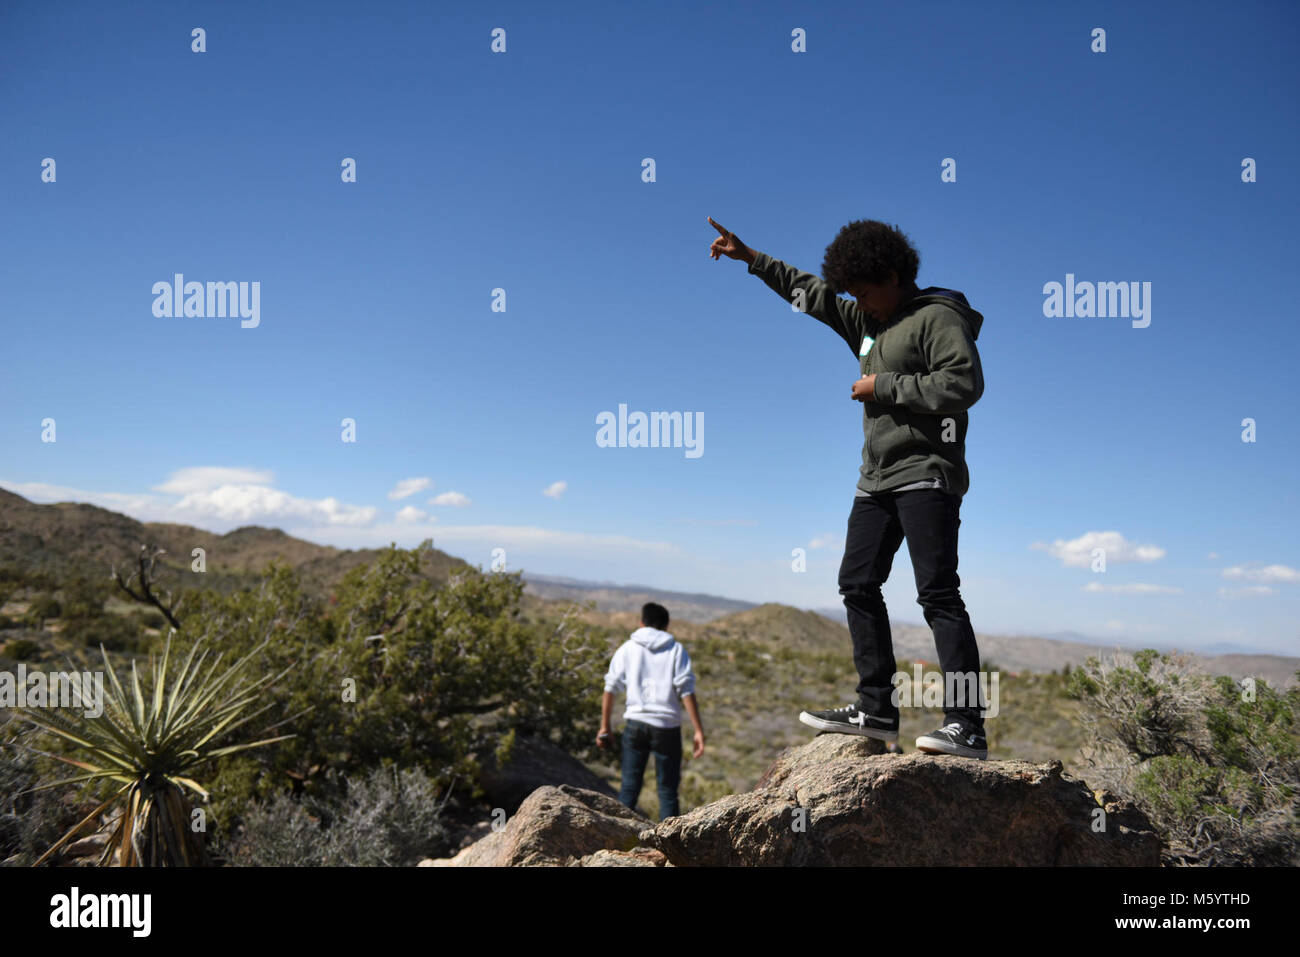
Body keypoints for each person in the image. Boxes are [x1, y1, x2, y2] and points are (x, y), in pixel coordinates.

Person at [707, 215, 989, 760]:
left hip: (927, 473)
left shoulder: (936, 317)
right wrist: (753, 259)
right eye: (854, 295)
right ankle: (876, 709)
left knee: (937, 594)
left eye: (866, 291)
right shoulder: (864, 318)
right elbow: (810, 295)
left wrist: (883, 385)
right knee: (856, 583)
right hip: (875, 479)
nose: (862, 303)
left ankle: (967, 723)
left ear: (890, 274)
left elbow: (963, 382)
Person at [598, 602, 705, 818]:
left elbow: (610, 687)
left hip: (635, 724)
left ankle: (619, 841)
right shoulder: (676, 650)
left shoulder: (628, 648)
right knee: (667, 793)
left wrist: (605, 726)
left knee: (628, 789)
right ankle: (671, 848)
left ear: (641, 622)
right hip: (667, 727)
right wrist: (698, 730)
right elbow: (686, 690)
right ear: (666, 626)